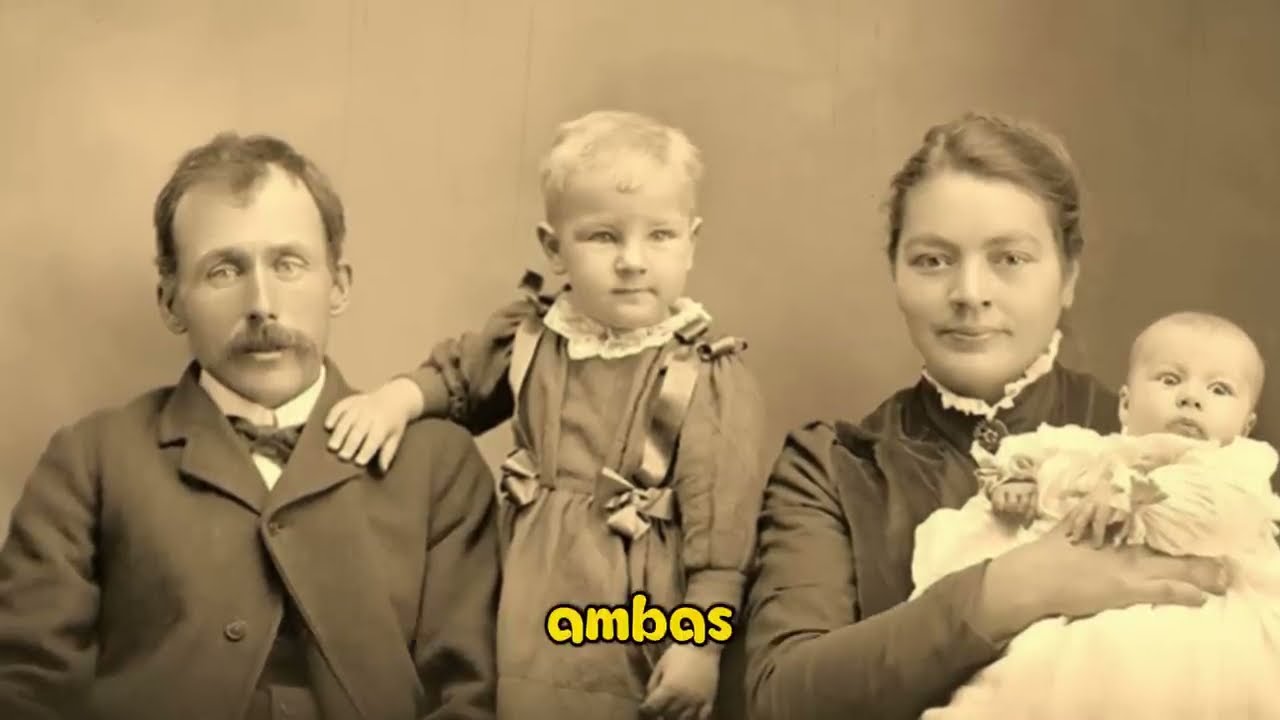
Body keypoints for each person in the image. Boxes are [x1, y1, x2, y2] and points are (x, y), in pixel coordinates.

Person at [742, 112, 1233, 720]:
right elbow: (779, 697)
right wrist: (1005, 591)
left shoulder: (1172, 449)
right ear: (894, 273)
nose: (970, 293)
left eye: (1010, 259)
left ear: (1069, 275)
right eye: (932, 260)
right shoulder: (832, 469)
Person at [0, 133, 499, 720]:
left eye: (289, 264)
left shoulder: (439, 467)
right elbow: (26, 686)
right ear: (170, 301)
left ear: (338, 285)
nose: (261, 302)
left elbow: (468, 698)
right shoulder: (92, 460)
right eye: (224, 271)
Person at [322, 110, 767, 720]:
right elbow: (459, 381)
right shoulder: (532, 337)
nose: (632, 260)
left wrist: (700, 644)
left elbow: (722, 535)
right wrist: (394, 399)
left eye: (659, 236)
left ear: (690, 241)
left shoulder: (705, 373)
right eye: (603, 237)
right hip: (525, 588)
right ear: (554, 248)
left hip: (636, 604)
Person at [912, 310, 1280, 718]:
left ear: (1245, 426)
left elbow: (1209, 517)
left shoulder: (1236, 469)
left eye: (1219, 389)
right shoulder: (1092, 451)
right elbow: (1031, 455)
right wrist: (1019, 482)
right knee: (1032, 671)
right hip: (1084, 615)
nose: (1191, 398)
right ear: (1125, 404)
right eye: (1170, 380)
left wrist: (1126, 494)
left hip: (1199, 618)